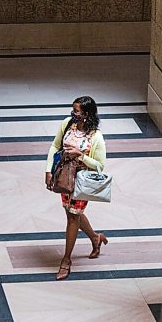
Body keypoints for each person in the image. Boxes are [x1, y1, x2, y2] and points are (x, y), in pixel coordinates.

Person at [45, 96, 108, 280]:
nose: (73, 114)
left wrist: (80, 155)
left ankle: (66, 260)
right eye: (73, 110)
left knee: (73, 216)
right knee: (72, 213)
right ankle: (96, 238)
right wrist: (48, 169)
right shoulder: (67, 124)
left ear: (86, 114)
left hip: (81, 181)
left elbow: (100, 165)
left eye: (77, 111)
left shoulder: (96, 137)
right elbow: (55, 146)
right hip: (64, 177)